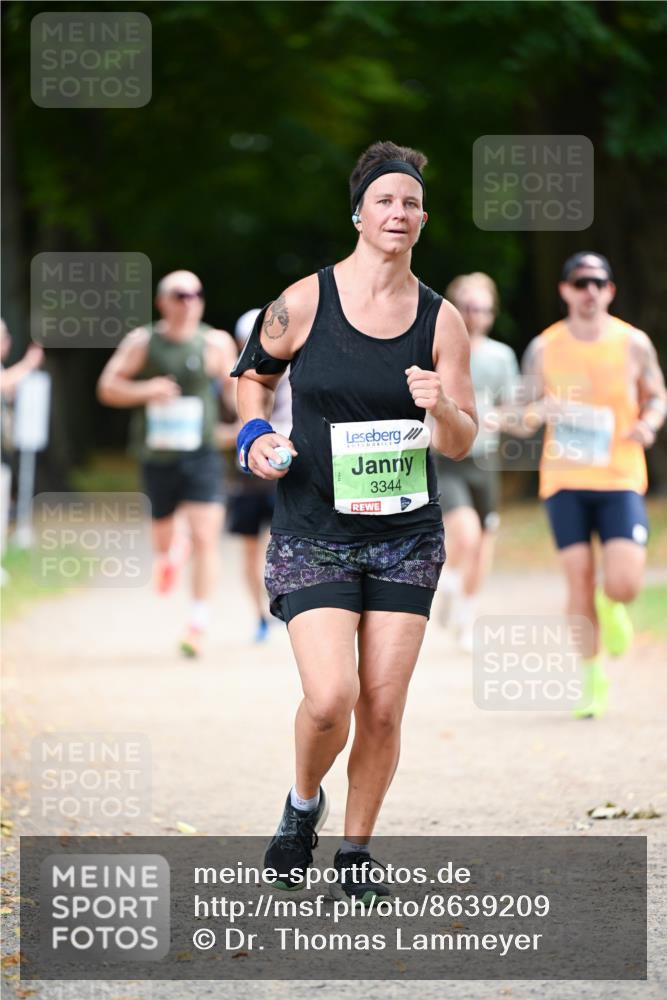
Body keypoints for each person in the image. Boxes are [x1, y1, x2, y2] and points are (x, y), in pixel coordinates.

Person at [232, 141, 477, 902]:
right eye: (384, 200)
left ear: (422, 219)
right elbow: (251, 379)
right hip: (312, 526)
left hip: (405, 537)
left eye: (409, 203)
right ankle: (303, 804)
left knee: (381, 705)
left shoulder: (442, 321)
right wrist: (256, 437)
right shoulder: (303, 301)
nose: (397, 213)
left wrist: (440, 405)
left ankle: (357, 851)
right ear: (359, 211)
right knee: (331, 695)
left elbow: (464, 436)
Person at [500, 252, 666, 718]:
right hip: (565, 480)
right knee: (577, 579)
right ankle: (592, 679)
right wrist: (538, 413)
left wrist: (649, 424)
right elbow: (512, 414)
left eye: (598, 282)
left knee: (625, 583)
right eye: (580, 282)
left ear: (610, 291)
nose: (589, 290)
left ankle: (614, 606)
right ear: (565, 291)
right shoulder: (544, 348)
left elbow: (657, 395)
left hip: (620, 476)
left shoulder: (633, 343)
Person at [97, 270, 237, 658]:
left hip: (202, 453)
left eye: (197, 293)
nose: (189, 301)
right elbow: (107, 387)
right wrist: (147, 389)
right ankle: (169, 554)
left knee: (207, 535)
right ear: (162, 302)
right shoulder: (143, 342)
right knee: (163, 536)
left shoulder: (214, 342)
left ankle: (197, 622)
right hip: (158, 455)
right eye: (180, 294)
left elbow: (234, 390)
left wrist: (246, 427)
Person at [433, 273, 519, 652]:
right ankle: (448, 579)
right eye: (468, 306)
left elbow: (512, 405)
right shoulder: (440, 347)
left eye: (483, 307)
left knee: (484, 542)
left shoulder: (501, 356)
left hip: (486, 459)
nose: (476, 314)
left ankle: (466, 617)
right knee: (464, 535)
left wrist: (508, 416)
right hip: (448, 456)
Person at [225, 309, 293, 642]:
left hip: (281, 478)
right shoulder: (229, 378)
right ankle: (259, 617)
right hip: (245, 479)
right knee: (250, 551)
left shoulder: (293, 374)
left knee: (275, 548)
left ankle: (278, 608)